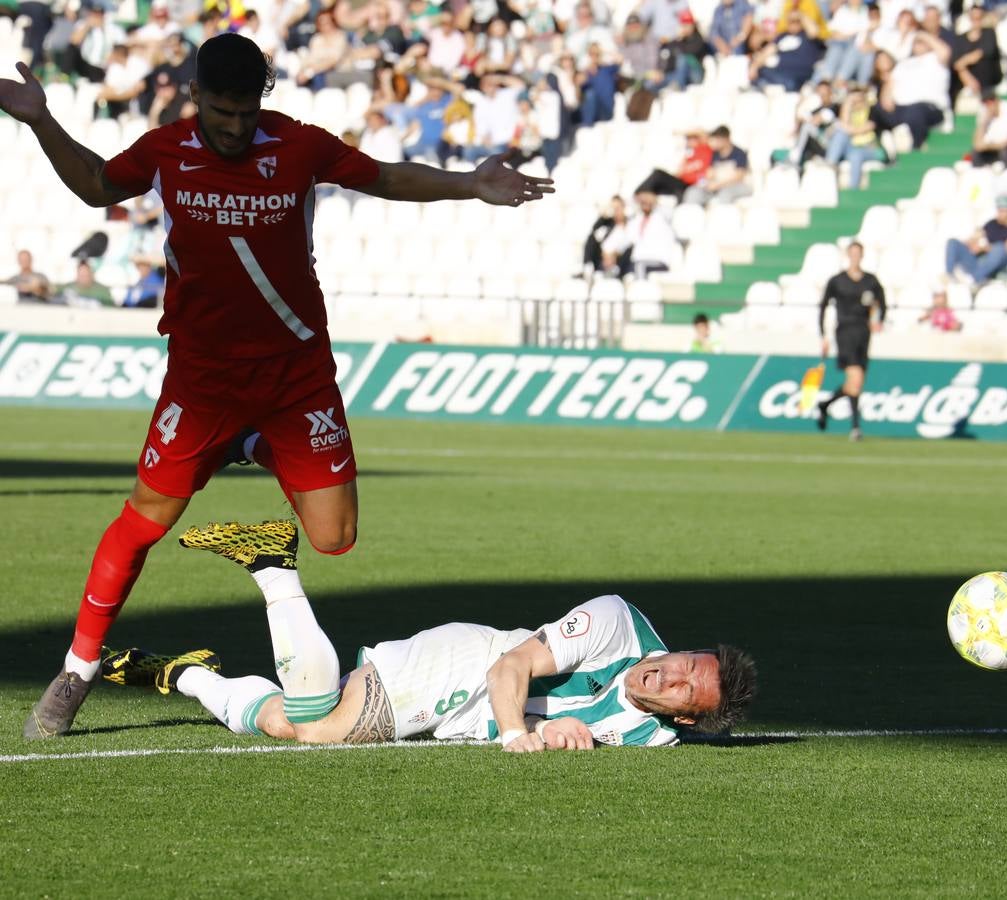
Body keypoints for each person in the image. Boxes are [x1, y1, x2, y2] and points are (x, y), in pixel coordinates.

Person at [5, 32, 552, 740]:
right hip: (202, 385)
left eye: (244, 113)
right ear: (197, 95)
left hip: (296, 381)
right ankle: (76, 671)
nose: (233, 128)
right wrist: (41, 119)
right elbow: (95, 186)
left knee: (335, 539)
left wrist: (471, 186)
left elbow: (386, 176)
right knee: (143, 521)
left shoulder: (298, 146)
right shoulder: (165, 148)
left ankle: (255, 444)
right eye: (220, 112)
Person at [105, 520, 757, 750]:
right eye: (683, 662)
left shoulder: (656, 739)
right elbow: (510, 668)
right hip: (467, 667)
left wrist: (565, 736)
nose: (666, 675)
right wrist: (518, 736)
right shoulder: (616, 623)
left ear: (686, 722)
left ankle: (182, 673)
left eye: (681, 691)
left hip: (460, 712)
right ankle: (274, 569)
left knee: (283, 720)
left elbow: (589, 729)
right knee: (314, 730)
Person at [816, 241, 885, 442]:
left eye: (858, 253)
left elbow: (883, 301)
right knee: (855, 380)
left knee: (856, 382)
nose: (855, 257)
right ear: (848, 255)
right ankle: (855, 427)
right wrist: (824, 336)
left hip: (863, 333)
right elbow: (823, 307)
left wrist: (878, 320)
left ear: (862, 255)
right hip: (844, 332)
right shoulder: (837, 281)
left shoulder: (870, 281)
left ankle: (826, 405)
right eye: (852, 253)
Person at [945, 195, 1007, 285]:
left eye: (1002, 210)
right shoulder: (992, 224)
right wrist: (974, 244)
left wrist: (985, 248)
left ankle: (974, 279)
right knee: (953, 242)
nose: (999, 213)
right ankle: (949, 275)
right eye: (998, 210)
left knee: (999, 248)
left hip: (999, 265)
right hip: (979, 260)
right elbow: (975, 238)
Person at [682, 125, 751, 205]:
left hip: (734, 186)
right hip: (715, 185)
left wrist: (718, 184)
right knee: (693, 191)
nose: (714, 143)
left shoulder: (739, 153)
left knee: (725, 194)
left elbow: (738, 176)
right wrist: (705, 183)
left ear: (726, 139)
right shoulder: (714, 154)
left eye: (718, 140)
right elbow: (709, 173)